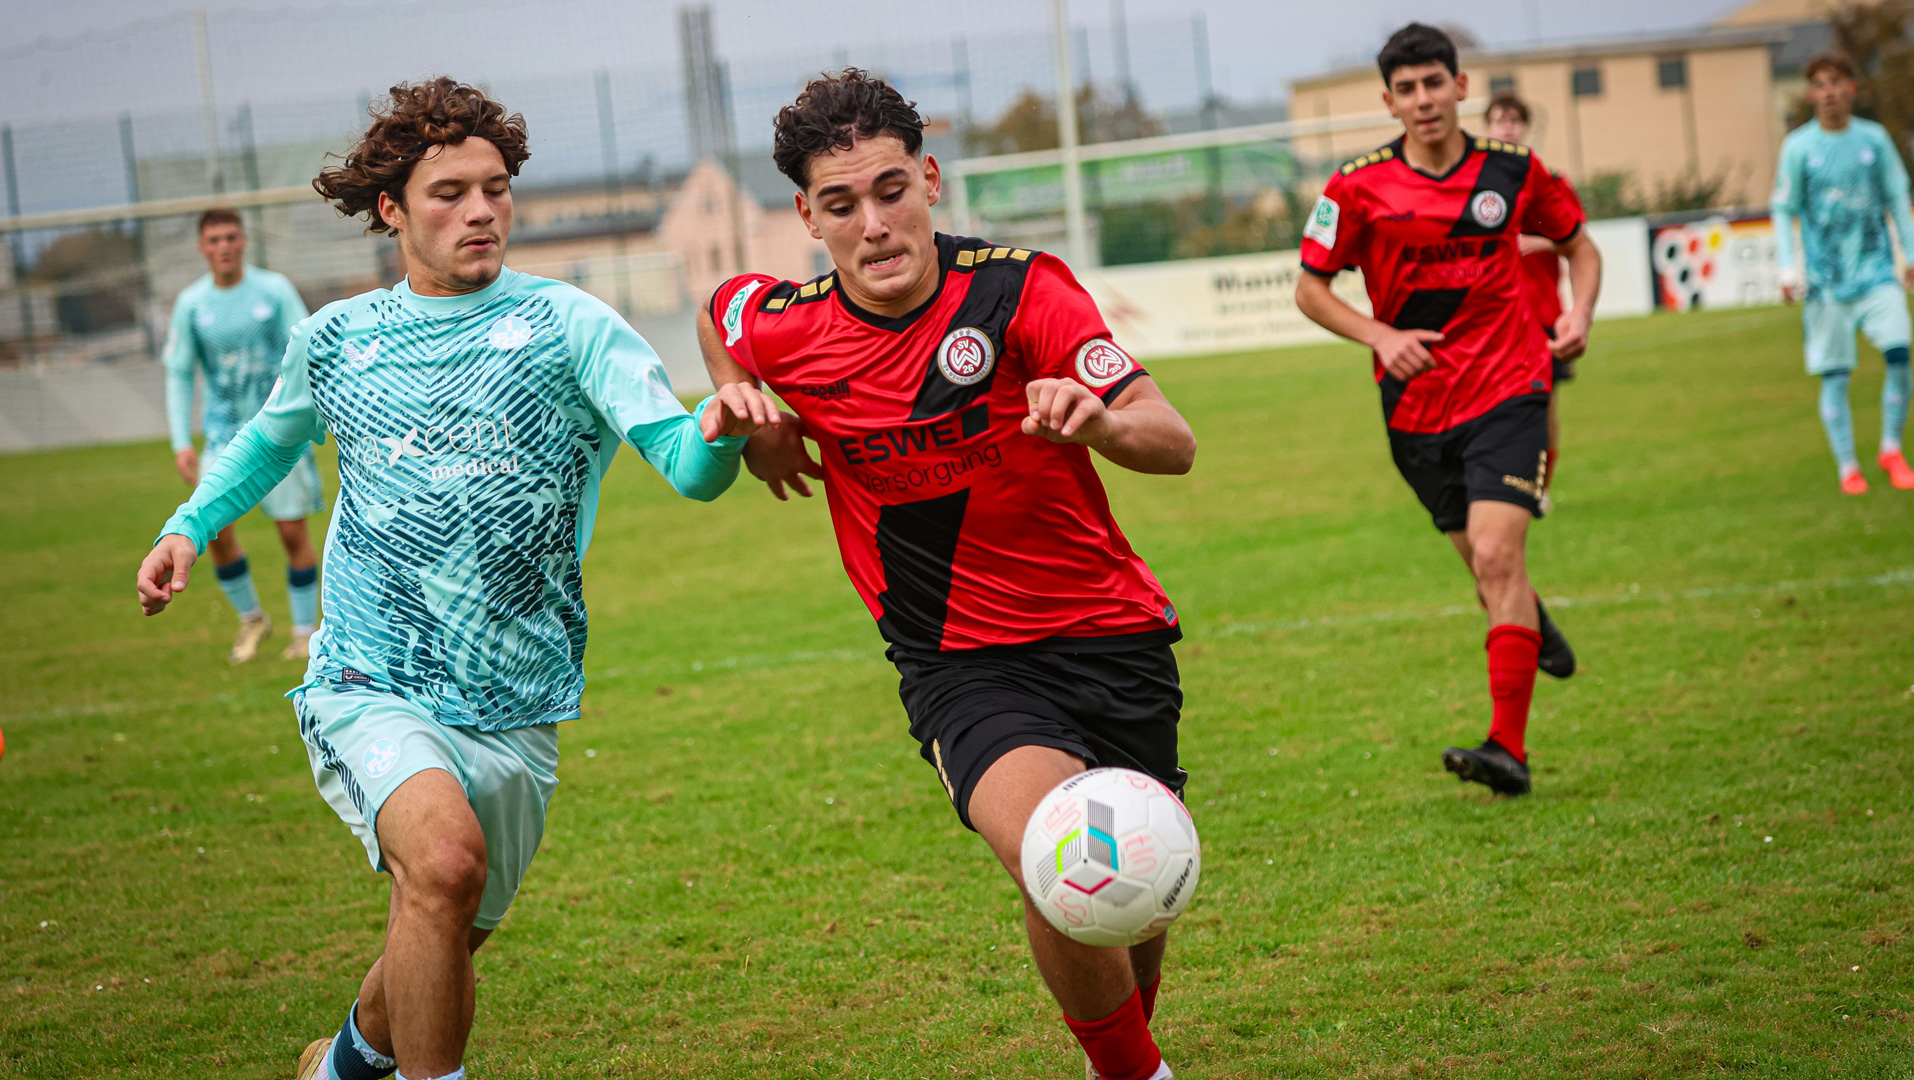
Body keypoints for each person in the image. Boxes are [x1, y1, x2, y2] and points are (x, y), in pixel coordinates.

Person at [134, 78, 775, 1080]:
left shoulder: (572, 326)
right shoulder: (339, 338)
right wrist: (188, 527)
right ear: (391, 209)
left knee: (444, 922)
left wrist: (722, 427)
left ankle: (340, 1067)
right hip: (370, 676)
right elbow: (266, 443)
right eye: (450, 193)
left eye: (496, 189)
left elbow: (688, 470)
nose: (482, 211)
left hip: (518, 695)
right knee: (441, 865)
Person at [701, 70, 1196, 1080]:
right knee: (1061, 852)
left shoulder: (1022, 291)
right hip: (958, 660)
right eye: (841, 204)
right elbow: (723, 318)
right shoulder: (787, 325)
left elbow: (1172, 440)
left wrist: (1100, 424)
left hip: (1112, 635)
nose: (874, 224)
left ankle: (1121, 1053)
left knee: (1131, 898)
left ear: (929, 180)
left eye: (891, 191)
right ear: (806, 216)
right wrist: (752, 416)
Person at [1294, 24, 1601, 796]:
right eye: (1407, 88)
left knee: (1497, 558)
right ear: (1388, 101)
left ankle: (1508, 750)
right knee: (1489, 571)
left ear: (1461, 87)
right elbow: (1309, 288)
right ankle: (1530, 619)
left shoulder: (1513, 170)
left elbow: (1580, 245)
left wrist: (1580, 312)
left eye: (1435, 82)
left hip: (1510, 387)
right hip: (1415, 409)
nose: (1423, 99)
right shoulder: (1356, 185)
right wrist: (1379, 334)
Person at [164, 208, 323, 661]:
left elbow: (310, 348)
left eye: (231, 237)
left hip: (279, 432)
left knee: (291, 532)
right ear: (202, 247)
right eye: (214, 239)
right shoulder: (192, 304)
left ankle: (304, 631)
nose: (224, 246)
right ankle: (252, 620)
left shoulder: (274, 290)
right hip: (222, 435)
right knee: (213, 530)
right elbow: (179, 373)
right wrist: (181, 441)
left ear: (244, 240)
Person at [1771, 50, 1914, 495]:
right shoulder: (1799, 147)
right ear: (1811, 95)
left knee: (1900, 354)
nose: (1829, 91)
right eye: (1820, 84)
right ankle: (1848, 468)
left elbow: (1898, 199)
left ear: (1852, 88)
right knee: (1835, 376)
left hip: (1877, 275)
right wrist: (1787, 268)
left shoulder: (1874, 140)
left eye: (1836, 82)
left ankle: (1891, 449)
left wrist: (1913, 256)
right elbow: (1783, 209)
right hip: (1826, 284)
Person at [1485, 93, 1586, 510]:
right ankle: (1497, 484)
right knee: (1493, 406)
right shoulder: (1477, 187)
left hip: (1542, 313)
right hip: (1492, 318)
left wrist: (1541, 242)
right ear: (1488, 128)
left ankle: (1539, 487)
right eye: (1499, 120)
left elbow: (1578, 243)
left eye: (1514, 120)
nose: (1507, 128)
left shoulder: (1550, 182)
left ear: (1526, 127)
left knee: (1543, 407)